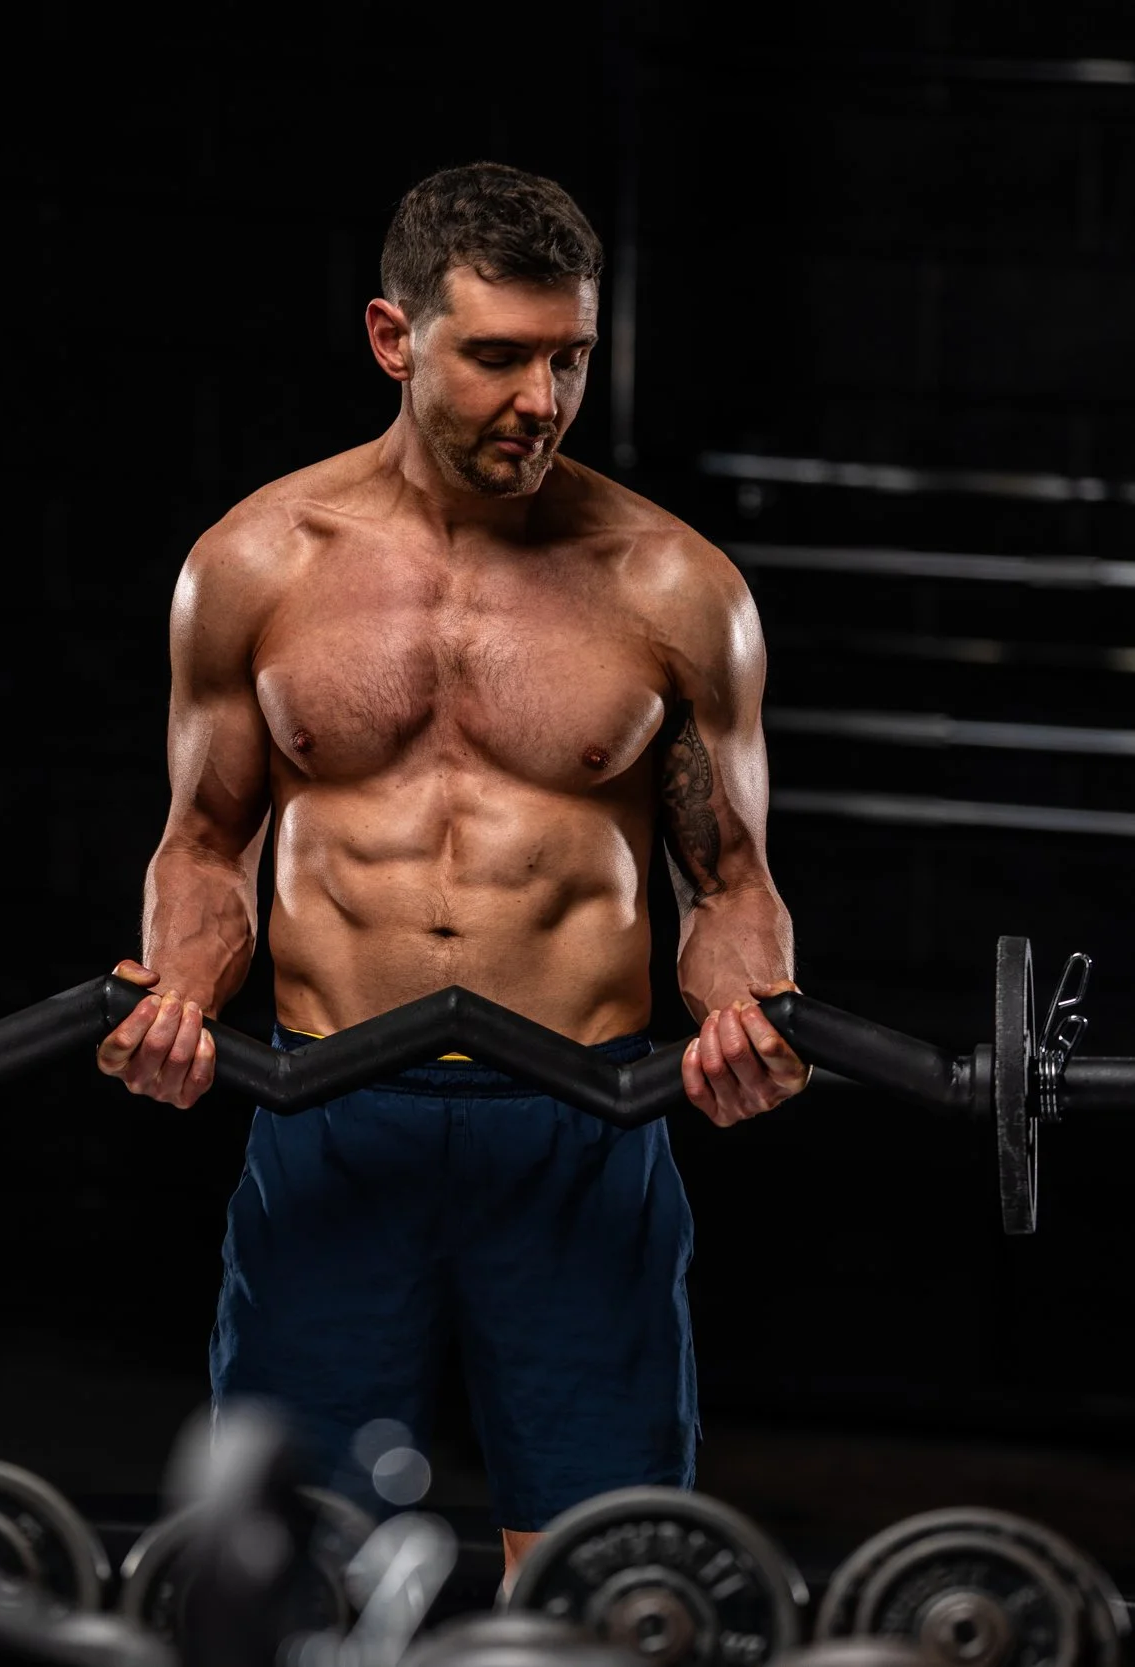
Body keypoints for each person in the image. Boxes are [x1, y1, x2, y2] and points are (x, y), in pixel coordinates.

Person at [95, 163, 811, 1578]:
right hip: (330, 1109)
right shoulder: (253, 565)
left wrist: (753, 1012)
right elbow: (206, 843)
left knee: (603, 1582)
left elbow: (728, 882)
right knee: (285, 1571)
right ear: (392, 337)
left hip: (580, 1122)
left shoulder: (675, 586)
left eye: (569, 358)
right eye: (496, 357)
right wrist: (178, 989)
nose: (540, 399)